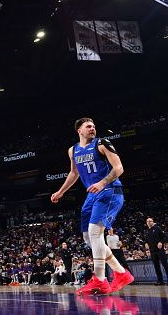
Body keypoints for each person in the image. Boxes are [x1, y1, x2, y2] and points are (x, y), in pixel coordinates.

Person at [51, 117, 134, 295]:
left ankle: (100, 279)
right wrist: (61, 191)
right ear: (79, 130)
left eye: (94, 126)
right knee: (89, 238)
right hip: (92, 196)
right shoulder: (72, 150)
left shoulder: (102, 143)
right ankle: (121, 273)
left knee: (95, 233)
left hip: (110, 190)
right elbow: (74, 173)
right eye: (88, 126)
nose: (92, 128)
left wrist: (103, 183)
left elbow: (119, 168)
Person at [144, 217, 168, 285]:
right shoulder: (147, 231)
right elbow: (146, 241)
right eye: (147, 221)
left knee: (165, 265)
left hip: (160, 250)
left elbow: (165, 237)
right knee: (156, 266)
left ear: (153, 222)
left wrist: (161, 242)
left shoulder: (157, 228)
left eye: (150, 221)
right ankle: (160, 281)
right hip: (152, 251)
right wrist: (146, 244)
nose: (149, 222)